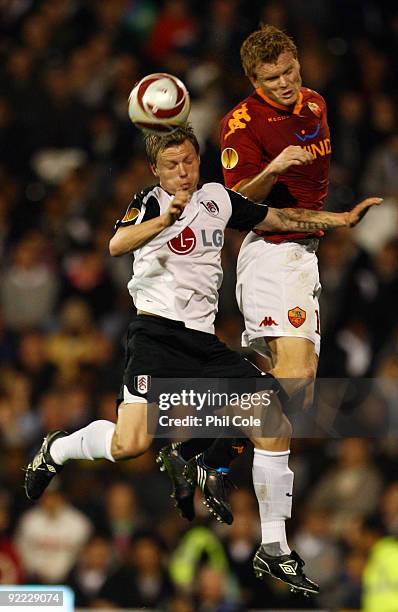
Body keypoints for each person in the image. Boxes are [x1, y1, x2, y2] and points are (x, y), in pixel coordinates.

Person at [24, 125, 380, 595]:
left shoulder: (216, 198)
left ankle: (273, 546)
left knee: (273, 411)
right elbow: (115, 245)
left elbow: (273, 217)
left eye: (189, 161)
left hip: (202, 340)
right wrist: (162, 219)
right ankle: (58, 449)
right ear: (156, 170)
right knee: (130, 443)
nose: (182, 171)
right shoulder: (150, 201)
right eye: (171, 165)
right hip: (155, 336)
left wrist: (339, 220)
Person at [218, 23, 339, 589]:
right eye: (273, 78)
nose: (288, 83)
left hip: (303, 256)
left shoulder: (315, 102)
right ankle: (272, 540)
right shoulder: (240, 126)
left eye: (291, 71)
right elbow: (237, 204)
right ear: (253, 80)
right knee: (291, 386)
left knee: (297, 399)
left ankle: (209, 431)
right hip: (270, 253)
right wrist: (274, 169)